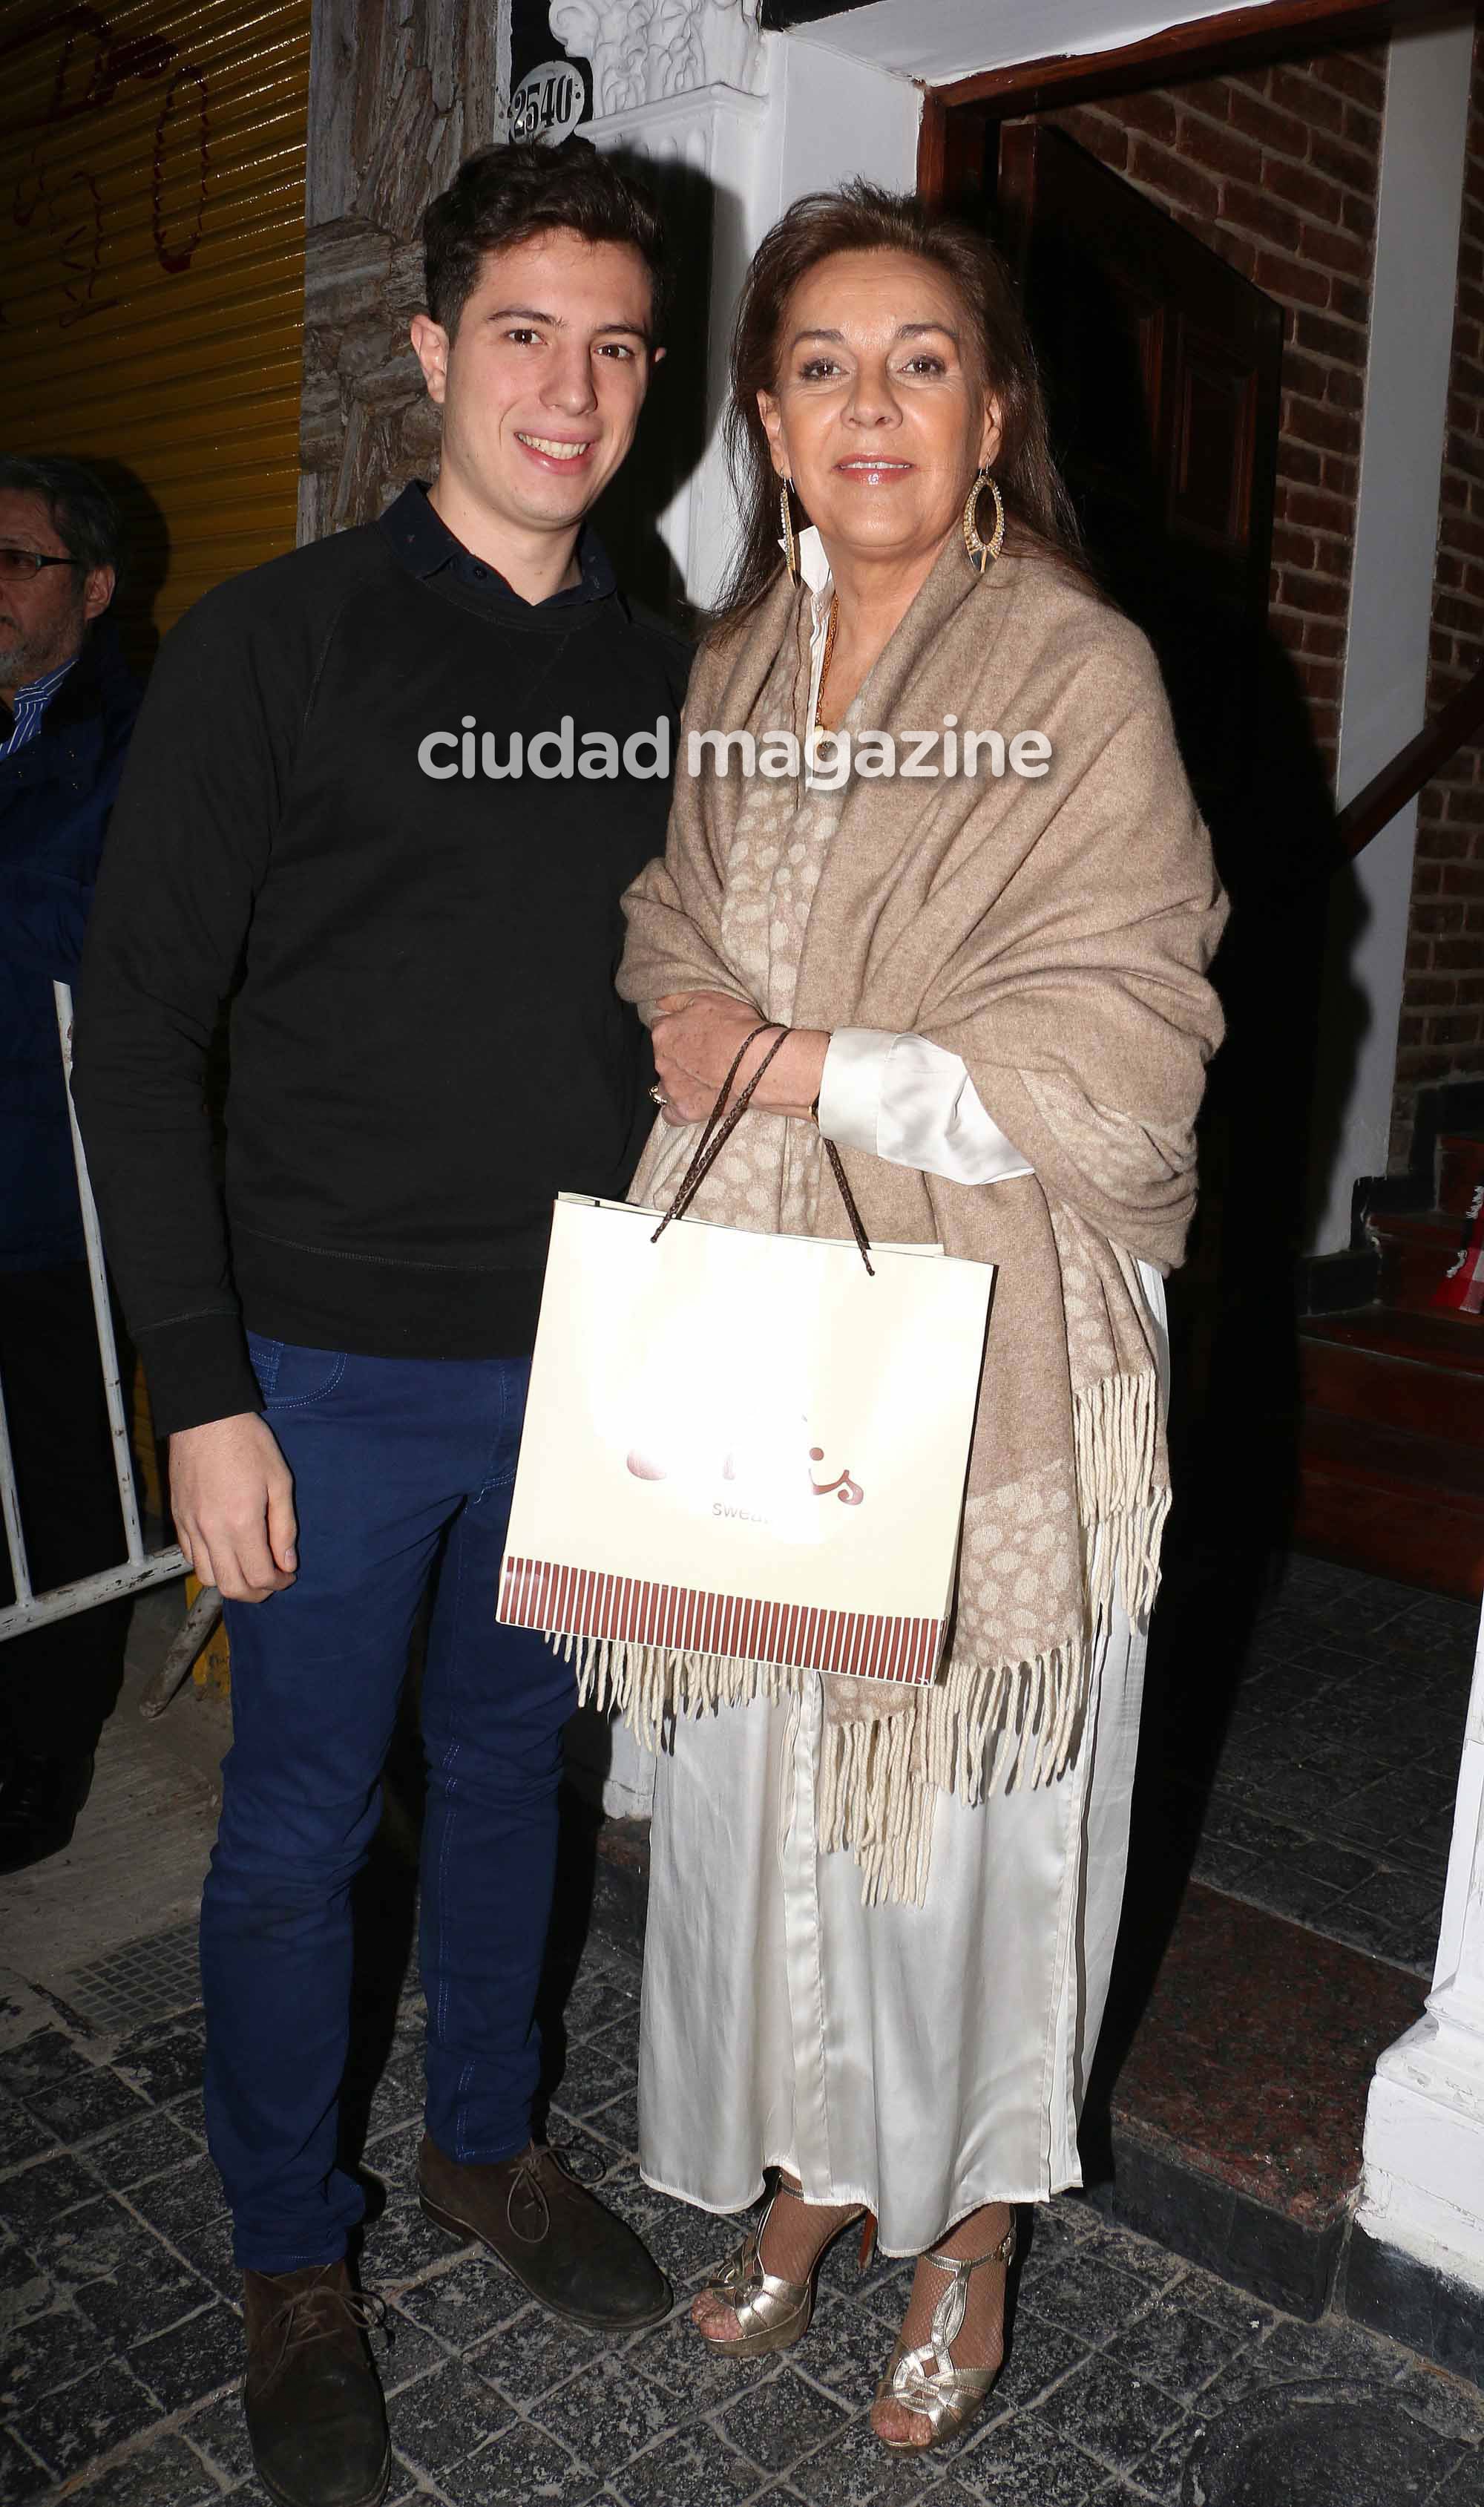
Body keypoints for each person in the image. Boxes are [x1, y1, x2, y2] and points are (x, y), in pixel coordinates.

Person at [73, 140, 686, 2507]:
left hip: (583, 1359)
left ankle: (484, 2148)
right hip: (323, 1364)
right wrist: (201, 1390)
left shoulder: (664, 674)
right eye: (523, 330)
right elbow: (140, 1035)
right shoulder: (278, 641)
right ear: (430, 353)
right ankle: (286, 2257)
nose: (572, 383)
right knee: (302, 1831)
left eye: (618, 341)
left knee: (520, 1776)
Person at [600, 183, 1227, 2455]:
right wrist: (691, 1001)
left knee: (964, 1820)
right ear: (765, 422)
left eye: (921, 362)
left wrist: (801, 1063)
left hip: (990, 1354)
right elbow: (674, 903)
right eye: (824, 366)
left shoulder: (1075, 670)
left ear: (994, 417)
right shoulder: (733, 665)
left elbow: (1128, 1045)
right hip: (774, 1332)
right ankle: (812, 2171)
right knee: (773, 1786)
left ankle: (965, 2227)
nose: (872, 406)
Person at [0, 456, 138, 1876]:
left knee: (67, 1477)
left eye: (19, 560)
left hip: (52, 1191)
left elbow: (103, 942)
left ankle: (49, 1747)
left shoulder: (135, 740)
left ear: (92, 591)